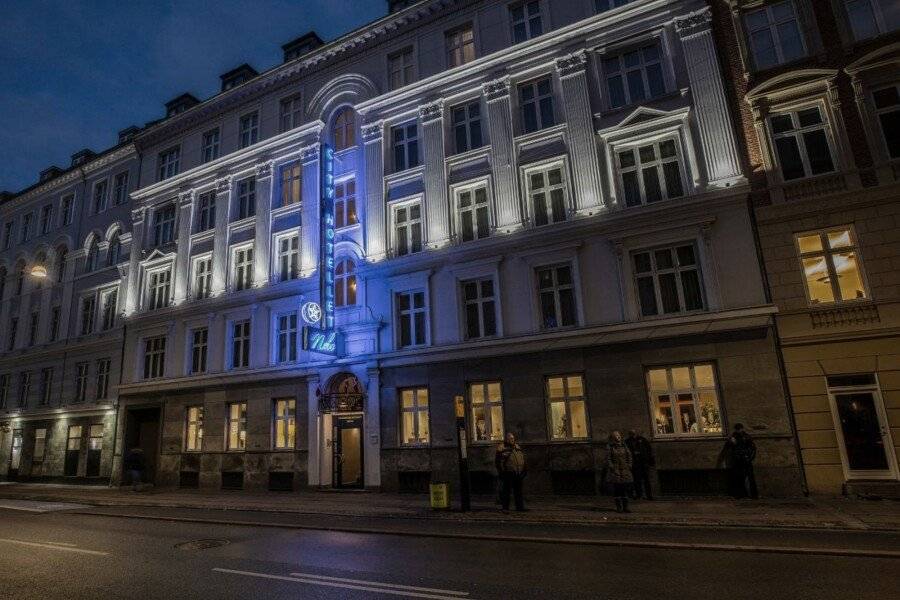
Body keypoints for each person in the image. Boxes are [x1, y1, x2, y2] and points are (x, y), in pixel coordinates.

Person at [495, 432, 527, 513]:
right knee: (506, 491)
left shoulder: (517, 446)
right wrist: (501, 472)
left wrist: (524, 469)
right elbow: (498, 462)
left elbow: (521, 457)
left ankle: (520, 507)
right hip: (508, 472)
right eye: (510, 438)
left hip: (518, 472)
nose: (512, 440)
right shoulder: (502, 447)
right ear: (506, 439)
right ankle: (505, 507)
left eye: (513, 438)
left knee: (518, 491)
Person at [725, 423, 758, 499]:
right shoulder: (740, 437)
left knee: (746, 478)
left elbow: (752, 448)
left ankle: (747, 495)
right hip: (740, 460)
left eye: (739, 429)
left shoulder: (745, 437)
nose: (739, 431)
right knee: (742, 477)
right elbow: (752, 448)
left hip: (742, 460)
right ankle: (745, 494)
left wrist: (748, 458)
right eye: (738, 429)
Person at [606, 431, 633, 513]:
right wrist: (612, 466)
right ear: (613, 438)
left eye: (619, 435)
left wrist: (629, 465)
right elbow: (608, 458)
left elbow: (629, 456)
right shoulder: (611, 447)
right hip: (616, 470)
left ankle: (626, 507)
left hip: (625, 470)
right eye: (616, 436)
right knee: (617, 489)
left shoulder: (624, 446)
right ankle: (619, 507)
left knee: (625, 488)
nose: (618, 437)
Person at [625, 430, 654, 500]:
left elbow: (649, 450)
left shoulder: (642, 440)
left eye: (634, 433)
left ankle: (649, 495)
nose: (633, 434)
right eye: (631, 433)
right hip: (635, 463)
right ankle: (639, 494)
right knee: (637, 480)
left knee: (646, 479)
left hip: (643, 462)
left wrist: (650, 461)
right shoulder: (627, 441)